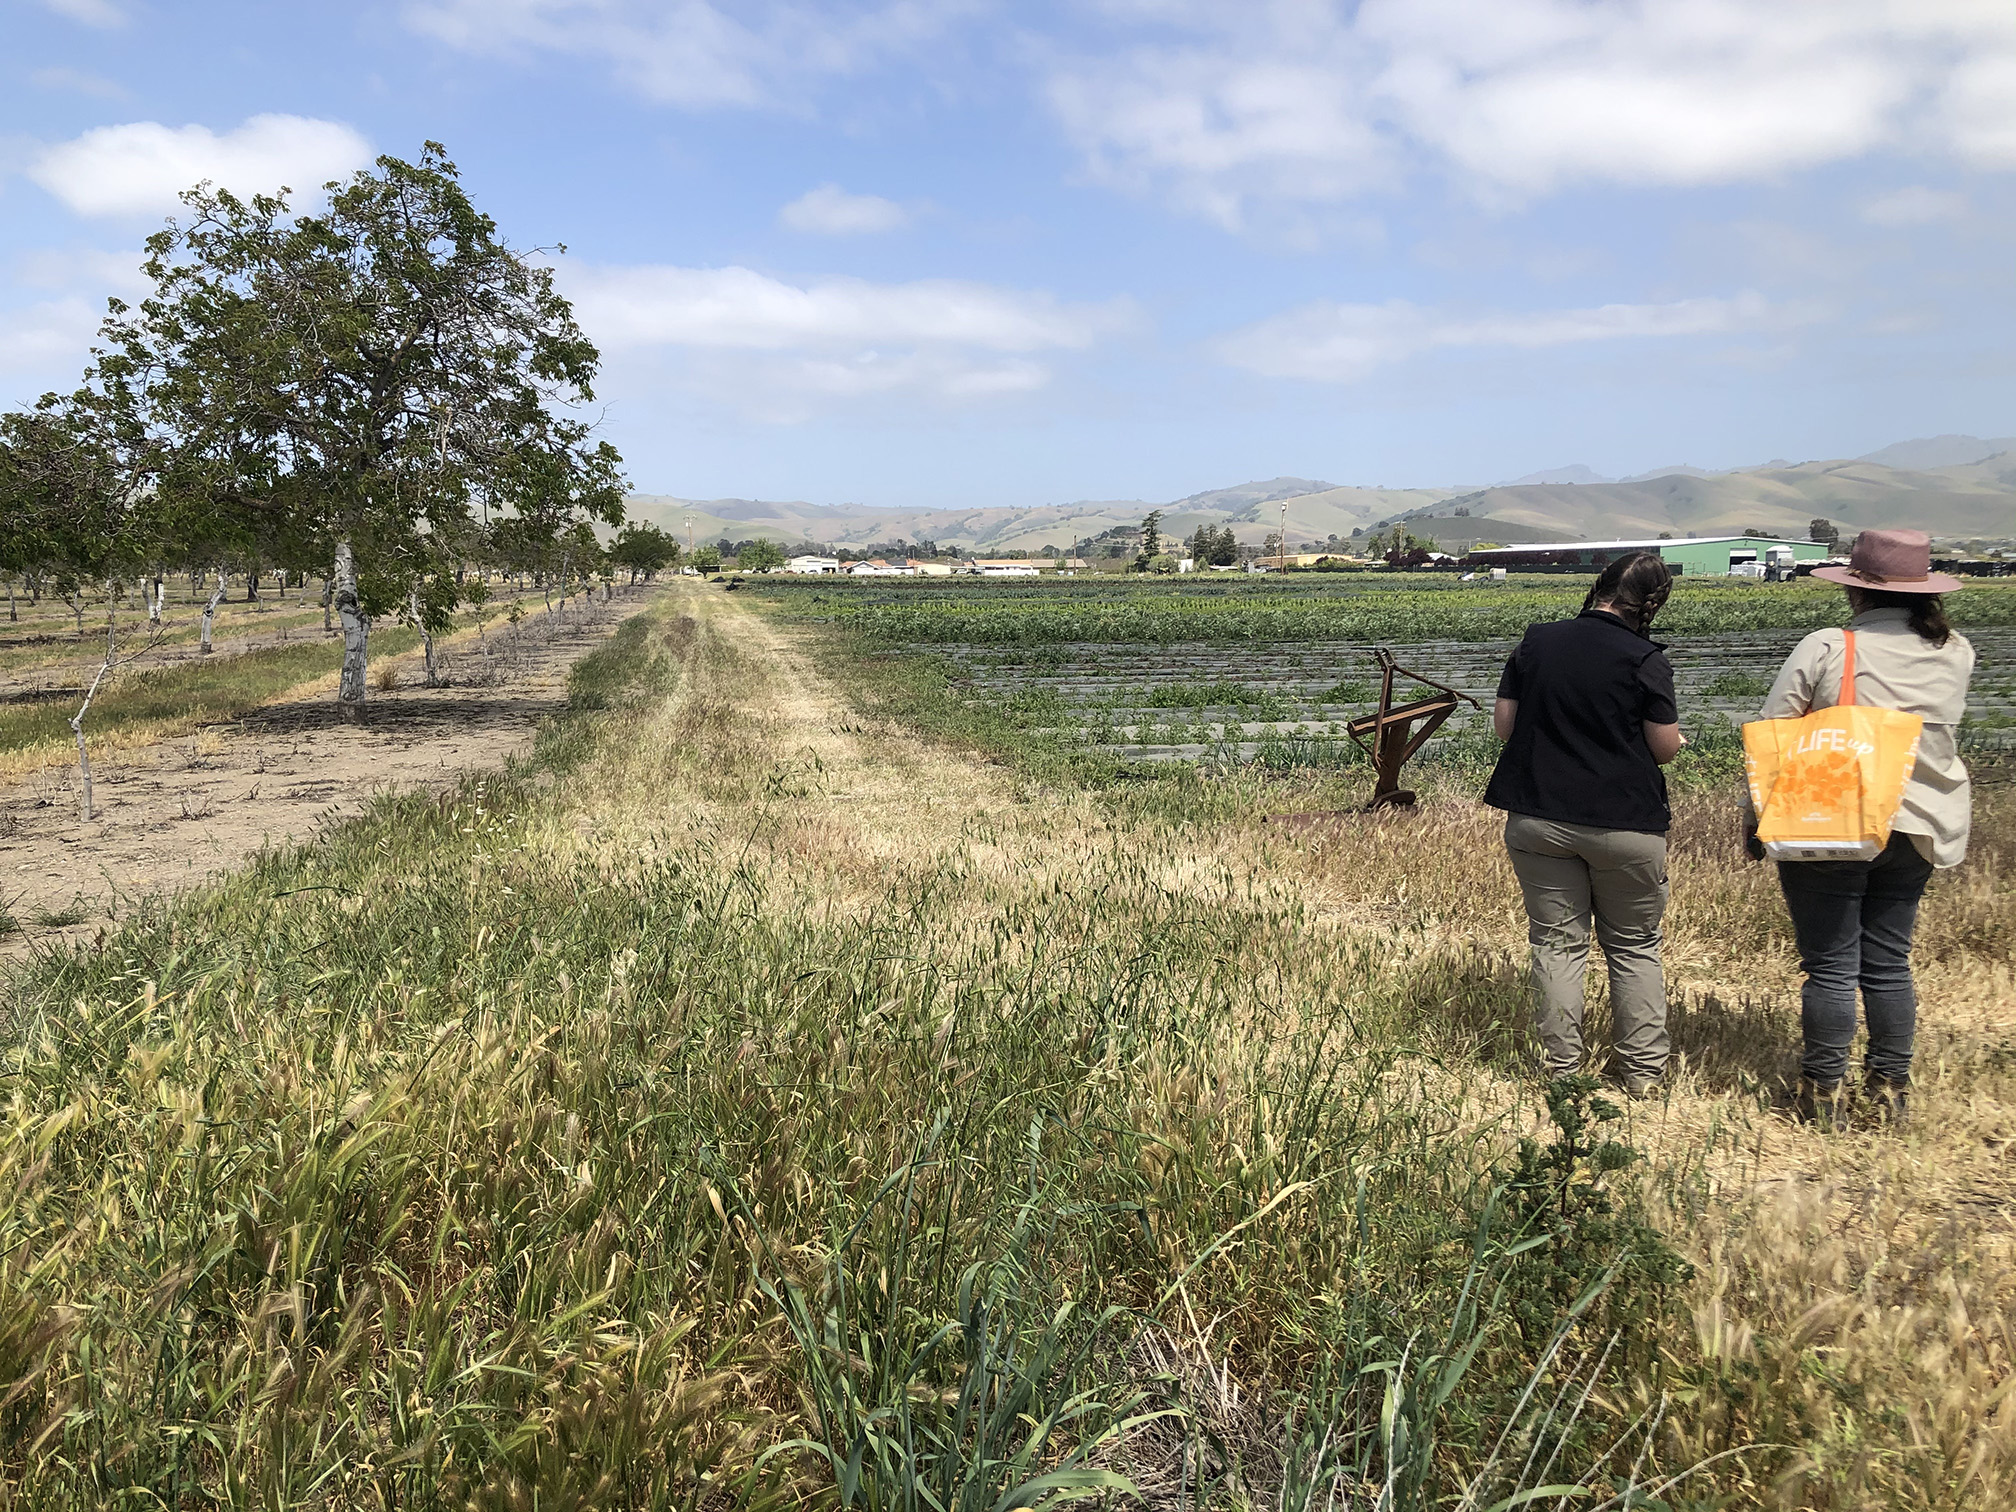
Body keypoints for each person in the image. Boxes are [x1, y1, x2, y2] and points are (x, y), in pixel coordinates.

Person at [1755, 528, 1974, 1125]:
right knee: (1887, 961)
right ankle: (1888, 1093)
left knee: (1830, 964)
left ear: (1856, 591)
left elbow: (1775, 728)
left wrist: (1756, 819)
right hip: (1921, 820)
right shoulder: (1955, 650)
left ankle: (1821, 1096)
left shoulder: (1831, 646)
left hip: (1835, 816)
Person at [1485, 552, 1685, 1096]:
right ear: (1652, 603)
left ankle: (1561, 1075)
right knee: (1634, 946)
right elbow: (1663, 750)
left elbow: (1506, 727)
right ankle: (1642, 1077)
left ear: (1599, 588)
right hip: (1625, 825)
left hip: (1538, 819)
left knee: (1557, 945)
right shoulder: (1646, 658)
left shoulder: (1537, 641)